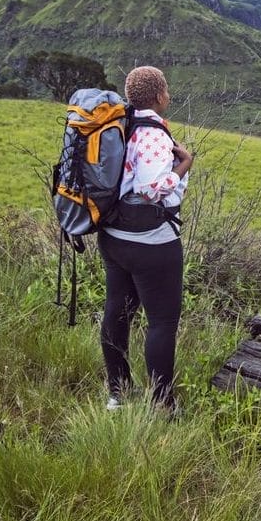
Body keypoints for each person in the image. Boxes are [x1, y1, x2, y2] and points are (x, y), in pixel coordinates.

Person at [99, 65, 192, 413]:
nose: (168, 94)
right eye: (166, 89)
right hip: (150, 241)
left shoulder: (121, 125)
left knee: (117, 313)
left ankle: (118, 394)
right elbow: (151, 189)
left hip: (113, 236)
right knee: (162, 322)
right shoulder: (152, 134)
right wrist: (184, 165)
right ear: (158, 96)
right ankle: (162, 405)